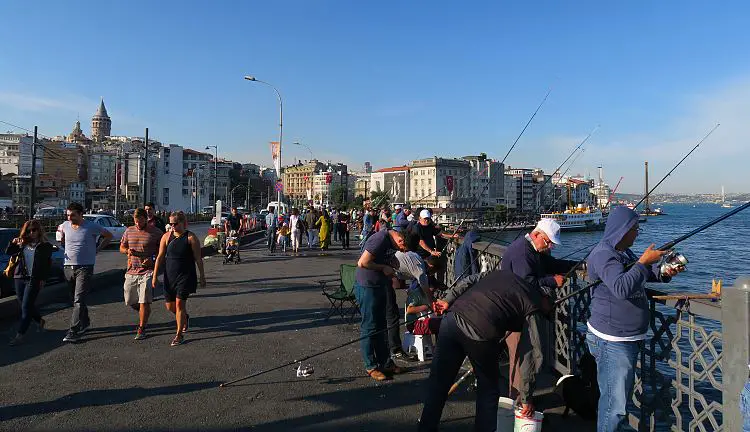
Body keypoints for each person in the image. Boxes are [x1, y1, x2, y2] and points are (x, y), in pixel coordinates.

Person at [586, 206, 683, 431]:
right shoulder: (603, 254)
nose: (637, 232)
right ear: (622, 230)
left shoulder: (622, 252)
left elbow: (640, 276)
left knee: (617, 401)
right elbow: (621, 287)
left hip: (625, 338)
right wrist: (642, 263)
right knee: (615, 406)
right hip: (613, 340)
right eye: (635, 228)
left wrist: (662, 272)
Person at [418, 270, 547, 431]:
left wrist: (448, 299)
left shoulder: (504, 274)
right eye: (549, 310)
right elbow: (531, 354)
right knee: (488, 390)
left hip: (452, 319)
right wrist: (527, 397)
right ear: (544, 298)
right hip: (480, 333)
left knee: (439, 383)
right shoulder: (534, 306)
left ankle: (425, 428)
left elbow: (470, 280)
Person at [502, 218, 579, 398]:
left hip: (522, 309)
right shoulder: (522, 252)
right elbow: (526, 282)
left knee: (524, 356)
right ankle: (521, 401)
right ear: (536, 234)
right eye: (548, 242)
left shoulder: (533, 248)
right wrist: (552, 281)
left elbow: (551, 265)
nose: (550, 247)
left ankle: (522, 399)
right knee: (525, 356)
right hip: (518, 312)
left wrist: (576, 265)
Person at [355, 229, 407, 381]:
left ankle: (386, 363)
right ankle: (370, 366)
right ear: (400, 240)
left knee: (382, 325)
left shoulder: (389, 241)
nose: (402, 251)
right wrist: (383, 268)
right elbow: (363, 262)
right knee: (370, 326)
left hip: (380, 284)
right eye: (403, 248)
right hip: (368, 286)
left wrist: (390, 264)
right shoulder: (380, 239)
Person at [58, 202, 113, 343]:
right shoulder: (64, 225)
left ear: (81, 214)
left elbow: (108, 236)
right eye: (68, 215)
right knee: (74, 299)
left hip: (85, 267)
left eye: (73, 215)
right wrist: (62, 240)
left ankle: (73, 331)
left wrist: (98, 248)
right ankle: (85, 321)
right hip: (68, 267)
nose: (70, 218)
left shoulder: (91, 226)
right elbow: (61, 236)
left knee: (78, 299)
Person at [152, 211, 206, 346]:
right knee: (170, 306)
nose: (172, 226)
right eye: (170, 224)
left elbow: (198, 259)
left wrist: (202, 276)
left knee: (179, 304)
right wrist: (154, 276)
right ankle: (184, 318)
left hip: (185, 275)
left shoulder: (191, 238)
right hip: (169, 276)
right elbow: (159, 257)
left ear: (183, 223)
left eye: (175, 224)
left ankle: (178, 335)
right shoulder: (166, 237)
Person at [6, 220, 55, 346]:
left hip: (34, 279)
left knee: (26, 307)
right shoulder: (22, 243)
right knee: (24, 303)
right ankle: (39, 320)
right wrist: (13, 243)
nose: (31, 233)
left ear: (39, 231)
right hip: (19, 276)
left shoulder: (45, 246)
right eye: (29, 230)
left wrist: (43, 279)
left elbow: (46, 265)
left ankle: (20, 335)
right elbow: (8, 252)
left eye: (34, 230)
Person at [119, 208, 162, 340]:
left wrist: (153, 259)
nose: (138, 224)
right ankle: (145, 311)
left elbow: (163, 250)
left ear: (146, 219)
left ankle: (142, 328)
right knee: (130, 300)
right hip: (132, 270)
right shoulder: (129, 231)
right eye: (136, 221)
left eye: (141, 221)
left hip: (148, 271)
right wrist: (127, 251)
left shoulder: (156, 232)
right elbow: (121, 247)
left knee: (143, 300)